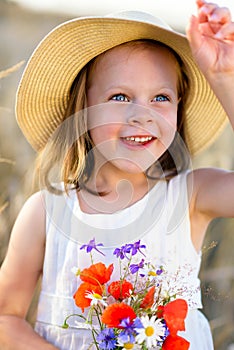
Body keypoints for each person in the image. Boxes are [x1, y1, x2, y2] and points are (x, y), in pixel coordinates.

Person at [0, 0, 233, 348]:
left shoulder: (191, 195)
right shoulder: (47, 212)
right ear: (84, 109)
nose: (143, 115)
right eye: (120, 96)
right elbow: (6, 318)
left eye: (161, 97)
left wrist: (223, 77)